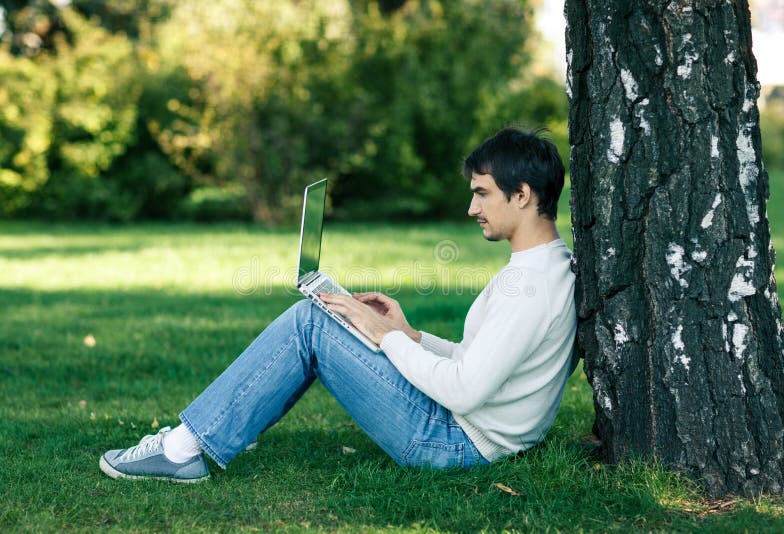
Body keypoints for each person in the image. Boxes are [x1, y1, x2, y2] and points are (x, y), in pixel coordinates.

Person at [98, 127, 577, 483]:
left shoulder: (531, 286)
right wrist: (410, 336)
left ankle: (182, 450)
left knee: (312, 321)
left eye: (481, 193)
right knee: (325, 317)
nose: (472, 208)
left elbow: (466, 392)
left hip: (454, 442)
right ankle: (220, 426)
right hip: (472, 430)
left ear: (521, 195)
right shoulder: (544, 268)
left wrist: (384, 337)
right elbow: (482, 363)